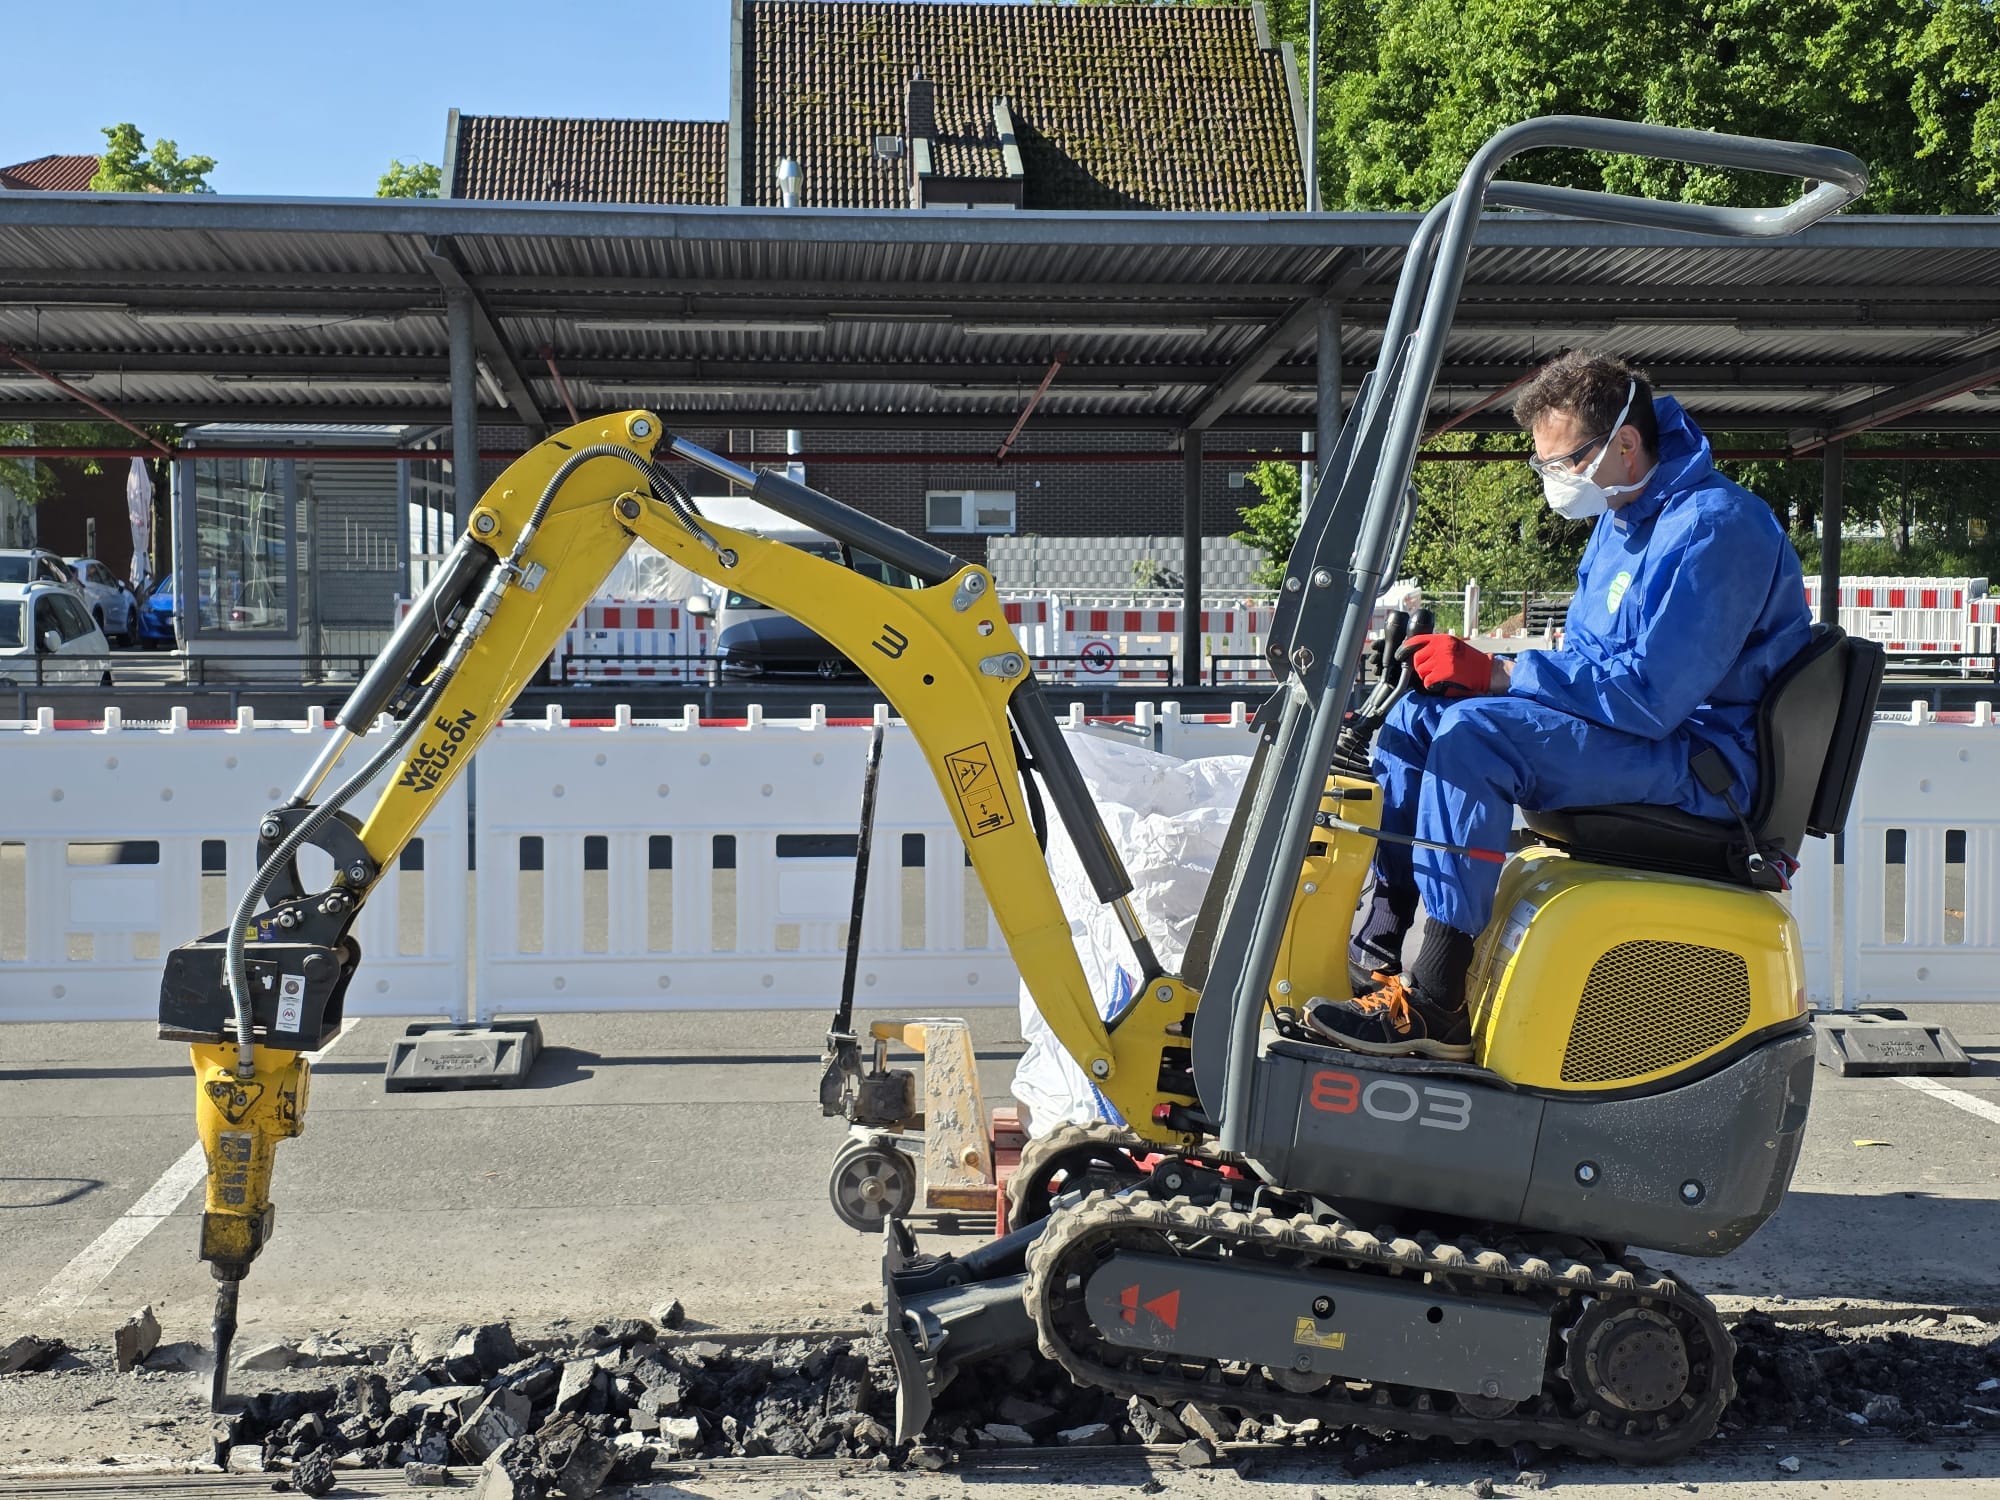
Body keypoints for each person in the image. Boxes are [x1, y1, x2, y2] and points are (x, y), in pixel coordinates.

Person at [1308, 349, 1812, 1060]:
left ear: (1626, 445)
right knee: (1417, 719)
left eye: (1566, 461)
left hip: (1702, 764)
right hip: (1643, 742)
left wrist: (1505, 677)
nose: (1555, 479)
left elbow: (1650, 698)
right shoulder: (1623, 520)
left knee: (1476, 738)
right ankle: (1377, 951)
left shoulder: (1716, 529)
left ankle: (1436, 999)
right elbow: (1584, 661)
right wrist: (1474, 673)